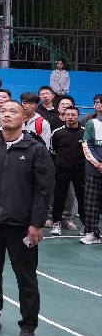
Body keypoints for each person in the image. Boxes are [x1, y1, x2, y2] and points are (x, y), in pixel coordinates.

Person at [0, 100, 53, 336]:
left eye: (13, 111)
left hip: (22, 226)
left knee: (26, 277)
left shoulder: (36, 149)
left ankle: (28, 325)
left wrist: (36, 223)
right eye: (3, 111)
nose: (7, 115)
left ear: (24, 118)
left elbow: (43, 190)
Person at [49, 104, 86, 236]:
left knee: (82, 198)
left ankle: (86, 225)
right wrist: (61, 164)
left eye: (73, 115)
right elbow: (53, 151)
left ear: (78, 116)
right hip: (62, 171)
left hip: (81, 171)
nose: (70, 117)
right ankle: (56, 223)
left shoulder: (85, 132)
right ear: (64, 116)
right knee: (59, 197)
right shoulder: (57, 133)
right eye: (67, 115)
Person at [81, 94, 102, 245]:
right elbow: (86, 145)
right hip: (94, 171)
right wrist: (98, 164)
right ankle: (92, 233)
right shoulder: (92, 124)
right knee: (91, 203)